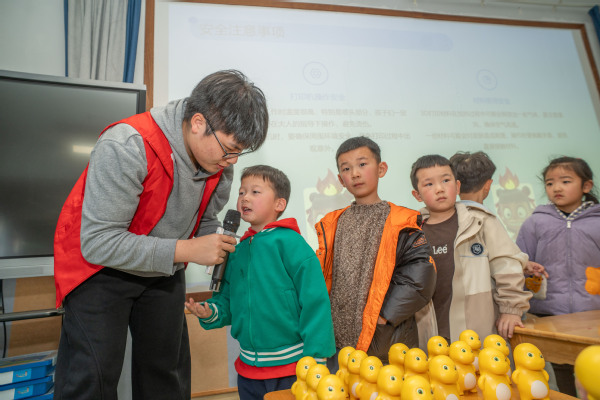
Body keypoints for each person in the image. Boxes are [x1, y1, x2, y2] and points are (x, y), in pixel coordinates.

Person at [53, 70, 269, 400]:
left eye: (240, 151)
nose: (233, 160)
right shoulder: (127, 145)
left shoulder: (219, 163)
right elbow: (99, 242)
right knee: (92, 377)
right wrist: (188, 250)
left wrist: (221, 243)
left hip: (163, 271)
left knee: (165, 375)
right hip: (101, 270)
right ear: (198, 123)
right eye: (230, 149)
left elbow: (204, 220)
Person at [186, 165, 335, 400]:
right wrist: (210, 312)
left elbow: (315, 302)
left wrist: (316, 359)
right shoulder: (236, 250)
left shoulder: (291, 243)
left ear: (279, 204)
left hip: (293, 367)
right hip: (248, 371)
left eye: (255, 192)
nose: (245, 197)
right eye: (241, 192)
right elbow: (227, 301)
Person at [315, 136, 437, 370]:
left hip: (384, 339)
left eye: (362, 164)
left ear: (381, 169)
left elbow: (419, 275)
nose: (355, 174)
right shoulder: (332, 222)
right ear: (340, 180)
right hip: (338, 341)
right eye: (346, 169)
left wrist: (384, 317)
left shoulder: (402, 220)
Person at [410, 154, 531, 344]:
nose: (439, 189)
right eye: (429, 184)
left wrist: (511, 309)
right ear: (417, 195)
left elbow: (507, 266)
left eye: (446, 180)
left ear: (457, 186)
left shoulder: (481, 222)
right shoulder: (412, 231)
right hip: (430, 335)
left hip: (476, 333)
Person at [516, 156, 600, 396]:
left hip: (592, 310)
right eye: (550, 183)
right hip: (549, 310)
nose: (556, 188)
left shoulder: (597, 222)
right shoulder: (535, 222)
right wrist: (527, 267)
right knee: (561, 367)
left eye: (565, 181)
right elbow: (520, 260)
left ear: (586, 186)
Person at [450, 151, 547, 279]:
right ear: (488, 185)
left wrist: (523, 263)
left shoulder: (448, 218)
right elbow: (506, 264)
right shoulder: (487, 220)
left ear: (456, 184)